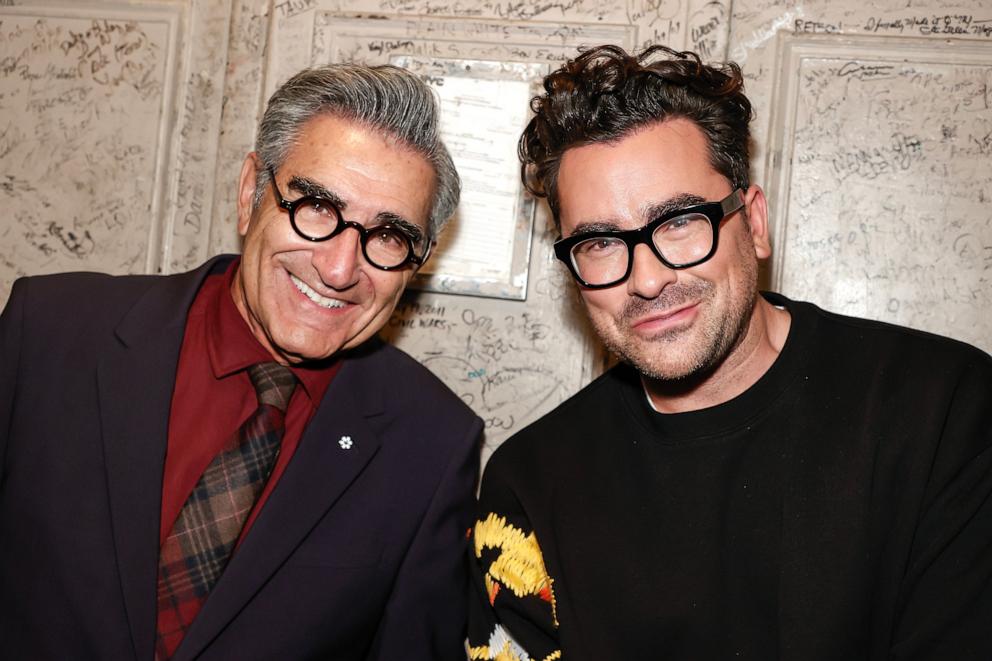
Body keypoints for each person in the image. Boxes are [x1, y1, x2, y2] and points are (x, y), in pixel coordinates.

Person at [467, 44, 992, 661]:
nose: (647, 279)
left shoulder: (946, 412)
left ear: (755, 222)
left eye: (680, 222)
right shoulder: (528, 483)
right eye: (601, 242)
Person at [0, 63, 482, 660]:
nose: (338, 269)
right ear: (250, 192)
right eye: (317, 207)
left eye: (387, 236)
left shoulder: (432, 443)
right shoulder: (50, 332)